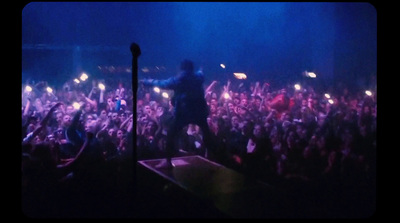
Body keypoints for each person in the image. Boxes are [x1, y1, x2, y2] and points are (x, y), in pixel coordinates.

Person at [140, 59, 213, 168]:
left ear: (182, 68)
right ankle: (211, 155)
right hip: (199, 111)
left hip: (184, 112)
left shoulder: (180, 79)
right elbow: (201, 72)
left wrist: (145, 81)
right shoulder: (198, 77)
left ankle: (168, 161)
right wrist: (202, 67)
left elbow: (161, 83)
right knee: (206, 132)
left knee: (171, 134)